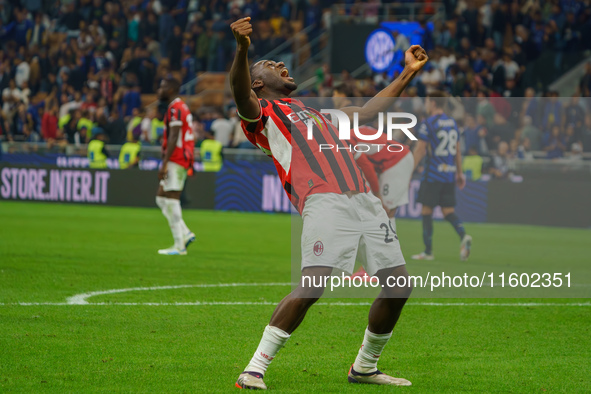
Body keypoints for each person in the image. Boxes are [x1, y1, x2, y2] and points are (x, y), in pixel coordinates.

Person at [229, 17, 428, 390]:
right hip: (324, 200)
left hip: (365, 200)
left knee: (398, 285)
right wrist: (242, 50)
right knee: (313, 283)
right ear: (258, 83)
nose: (282, 66)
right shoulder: (263, 116)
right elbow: (240, 94)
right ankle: (253, 369)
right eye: (273, 65)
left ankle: (365, 367)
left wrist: (406, 73)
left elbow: (367, 113)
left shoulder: (318, 114)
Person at [411, 91, 472, 261]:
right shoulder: (452, 123)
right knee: (448, 211)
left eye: (427, 101)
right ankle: (463, 235)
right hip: (449, 174)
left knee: (426, 210)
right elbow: (458, 150)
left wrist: (408, 171)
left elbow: (420, 150)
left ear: (433, 103)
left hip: (433, 174)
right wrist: (459, 173)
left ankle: (428, 251)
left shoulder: (428, 123)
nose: (426, 104)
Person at [155, 77, 196, 256]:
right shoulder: (179, 107)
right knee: (161, 199)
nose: (159, 89)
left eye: (162, 86)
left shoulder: (175, 109)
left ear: (171, 89)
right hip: (178, 157)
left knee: (171, 199)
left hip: (177, 158)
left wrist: (164, 163)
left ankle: (179, 246)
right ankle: (185, 233)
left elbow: (174, 137)